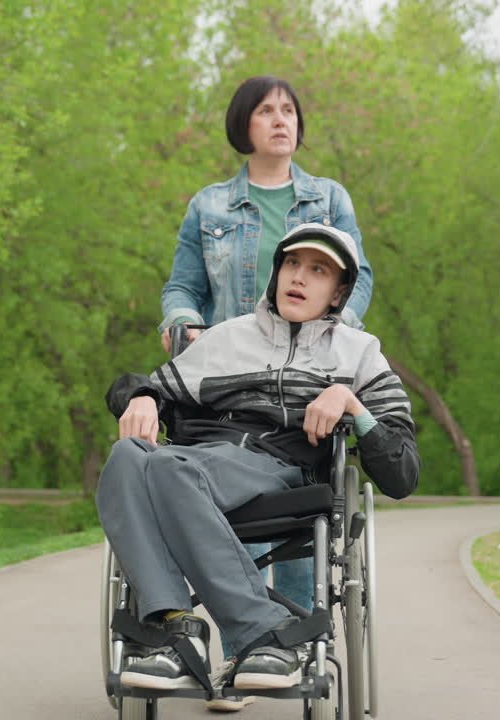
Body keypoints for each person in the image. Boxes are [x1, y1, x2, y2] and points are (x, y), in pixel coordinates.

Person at [98, 224, 418, 696]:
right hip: (199, 461)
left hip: (281, 473)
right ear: (276, 272)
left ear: (339, 292)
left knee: (167, 466)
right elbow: (141, 385)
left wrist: (351, 402)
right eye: (292, 264)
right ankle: (172, 629)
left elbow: (402, 471)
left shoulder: (360, 354)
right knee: (127, 454)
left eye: (318, 270)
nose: (300, 277)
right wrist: (142, 396)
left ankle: (262, 633)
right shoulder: (226, 338)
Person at [158, 75, 374, 710]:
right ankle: (247, 653)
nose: (281, 120)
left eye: (289, 110)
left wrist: (337, 342)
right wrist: (181, 324)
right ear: (242, 126)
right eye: (265, 111)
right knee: (232, 499)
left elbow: (357, 282)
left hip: (310, 376)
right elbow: (182, 287)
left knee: (304, 504)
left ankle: (302, 648)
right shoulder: (209, 207)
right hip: (230, 379)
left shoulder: (328, 198)